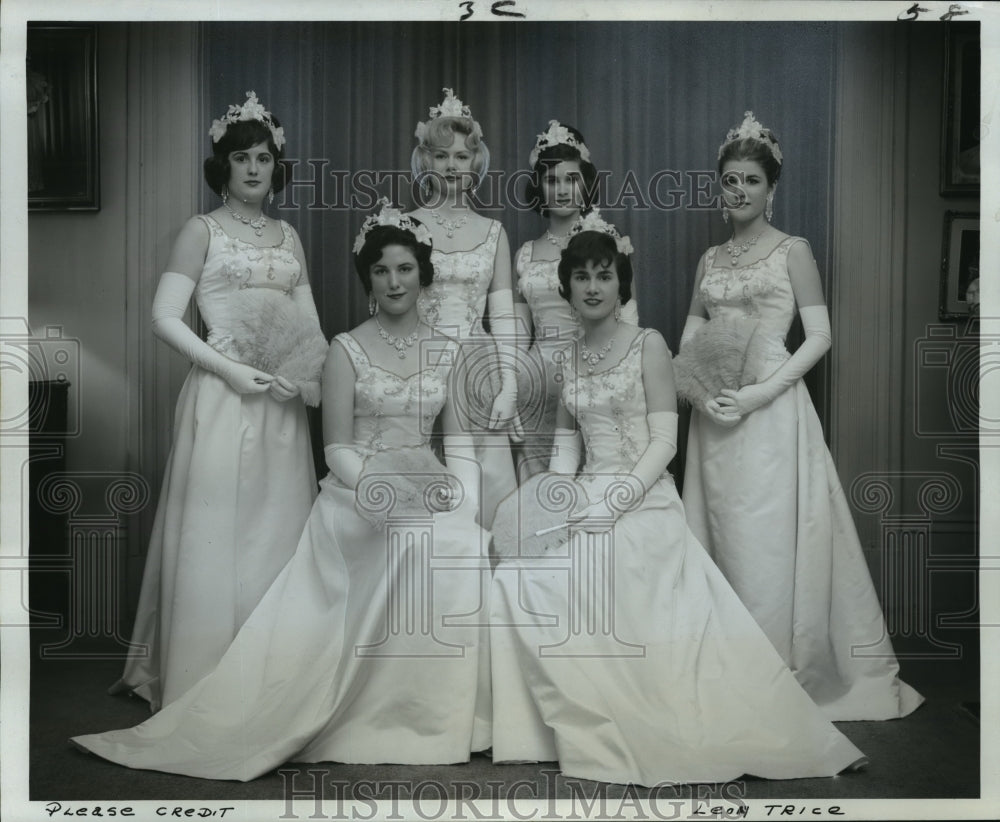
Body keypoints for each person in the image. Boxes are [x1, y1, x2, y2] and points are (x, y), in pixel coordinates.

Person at [71, 204, 491, 779]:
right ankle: (357, 708)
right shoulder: (346, 349)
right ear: (367, 280)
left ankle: (437, 716)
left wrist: (463, 504)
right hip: (357, 491)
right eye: (381, 271)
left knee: (460, 545)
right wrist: (379, 489)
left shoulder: (452, 349)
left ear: (424, 275)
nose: (394, 282)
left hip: (426, 489)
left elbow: (460, 446)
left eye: (405, 269)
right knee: (397, 545)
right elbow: (338, 448)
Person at [488, 213, 867, 786]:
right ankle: (548, 728)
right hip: (588, 496)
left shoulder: (649, 345)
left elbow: (664, 443)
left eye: (605, 276)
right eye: (583, 277)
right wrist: (559, 501)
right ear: (565, 288)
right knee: (516, 577)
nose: (593, 287)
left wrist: (612, 502)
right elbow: (567, 450)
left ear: (622, 285)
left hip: (642, 502)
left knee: (605, 574)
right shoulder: (565, 358)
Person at [677, 112, 923, 720]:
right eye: (730, 180)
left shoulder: (793, 251)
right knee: (717, 535)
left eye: (751, 181)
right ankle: (721, 665)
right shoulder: (709, 260)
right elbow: (689, 335)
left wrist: (761, 394)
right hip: (714, 413)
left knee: (765, 539)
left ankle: (775, 670)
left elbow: (819, 337)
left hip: (770, 411)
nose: (739, 191)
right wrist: (699, 391)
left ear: (772, 187)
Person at [110, 91, 326, 712]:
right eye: (241, 158)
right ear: (222, 167)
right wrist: (229, 370)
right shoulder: (200, 231)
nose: (253, 168)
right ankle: (202, 671)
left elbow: (308, 326)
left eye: (263, 157)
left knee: (274, 531)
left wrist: (302, 376)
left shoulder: (289, 236)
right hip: (221, 395)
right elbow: (163, 318)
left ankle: (269, 671)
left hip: (279, 403)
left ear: (274, 166)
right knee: (216, 531)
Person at [407, 87, 520, 529]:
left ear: (476, 162)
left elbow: (504, 315)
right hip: (421, 357)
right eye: (441, 155)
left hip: (477, 363)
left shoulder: (494, 232)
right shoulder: (409, 225)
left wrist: (509, 381)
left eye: (460, 155)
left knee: (482, 481)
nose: (452, 165)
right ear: (426, 162)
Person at [512, 122, 639, 479]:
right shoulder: (524, 254)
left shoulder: (606, 241)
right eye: (552, 181)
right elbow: (519, 335)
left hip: (593, 374)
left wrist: (616, 378)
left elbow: (629, 320)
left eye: (571, 179)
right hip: (536, 384)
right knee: (541, 478)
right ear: (540, 186)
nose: (563, 190)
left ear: (585, 182)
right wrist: (513, 383)